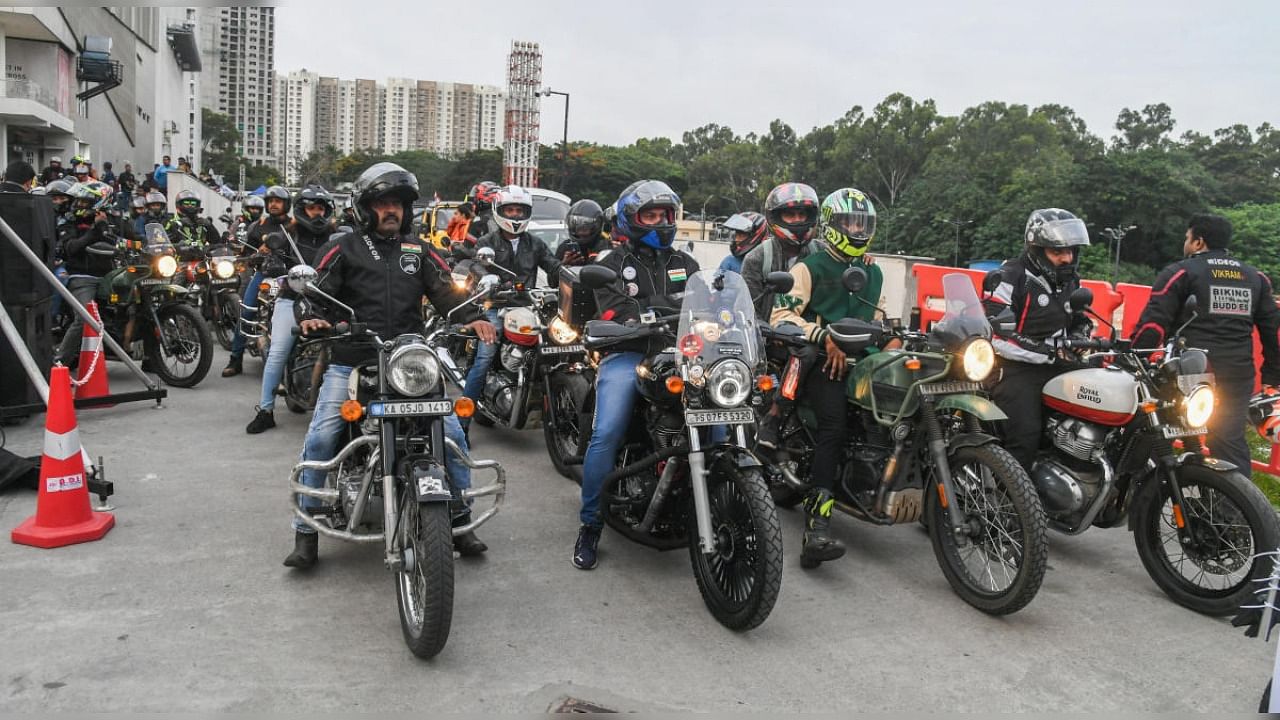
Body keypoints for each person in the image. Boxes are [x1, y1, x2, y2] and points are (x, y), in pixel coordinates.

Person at [286, 162, 496, 568]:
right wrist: (311, 315)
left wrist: (472, 316)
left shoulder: (420, 250)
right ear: (364, 207)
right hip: (353, 359)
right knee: (322, 438)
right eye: (382, 203)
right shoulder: (343, 247)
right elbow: (317, 293)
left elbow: (446, 293)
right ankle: (306, 530)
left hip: (409, 361)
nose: (391, 211)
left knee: (453, 437)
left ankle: (461, 519)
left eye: (398, 204)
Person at [573, 179, 698, 570]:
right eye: (651, 214)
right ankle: (590, 523)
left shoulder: (686, 264)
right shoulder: (612, 265)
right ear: (631, 220)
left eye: (667, 214)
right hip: (627, 354)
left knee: (721, 418)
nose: (661, 222)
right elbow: (616, 312)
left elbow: (706, 303)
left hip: (680, 358)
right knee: (607, 430)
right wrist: (662, 308)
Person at [770, 187, 888, 569]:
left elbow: (878, 318)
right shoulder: (810, 268)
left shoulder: (874, 270)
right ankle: (816, 528)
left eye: (862, 223)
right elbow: (782, 317)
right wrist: (825, 337)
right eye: (849, 222)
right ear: (832, 225)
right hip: (824, 360)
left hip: (864, 360)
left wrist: (893, 339)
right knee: (832, 430)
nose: (856, 229)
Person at [1132, 214, 1280, 473]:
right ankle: (1237, 510)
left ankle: (1159, 499)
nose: (1186, 244)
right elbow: (1273, 333)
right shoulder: (1255, 278)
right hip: (1238, 374)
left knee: (1162, 437)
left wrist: (1136, 359)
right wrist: (1272, 376)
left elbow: (1153, 325)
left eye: (1187, 239)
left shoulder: (1180, 272)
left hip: (1190, 373)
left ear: (1198, 242)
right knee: (1230, 442)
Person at [981, 208, 1092, 472]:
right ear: (1037, 249)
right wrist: (1048, 351)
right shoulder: (1010, 276)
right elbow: (996, 334)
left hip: (1058, 364)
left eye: (1071, 251)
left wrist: (1080, 336)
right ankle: (1011, 503)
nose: (1067, 258)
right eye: (1058, 252)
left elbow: (1080, 319)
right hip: (1013, 369)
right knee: (1026, 435)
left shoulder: (1070, 281)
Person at [457, 185, 560, 427]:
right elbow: (476, 264)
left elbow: (553, 265)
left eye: (519, 210)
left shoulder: (535, 243)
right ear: (498, 211)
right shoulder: (488, 240)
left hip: (528, 306)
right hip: (495, 305)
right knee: (484, 357)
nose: (514, 215)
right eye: (510, 210)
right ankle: (462, 423)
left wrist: (571, 277)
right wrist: (486, 277)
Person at [244, 186, 336, 434]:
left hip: (329, 301)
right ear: (302, 209)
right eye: (311, 208)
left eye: (321, 208)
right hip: (291, 299)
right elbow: (272, 260)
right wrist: (273, 263)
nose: (317, 213)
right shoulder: (287, 235)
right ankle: (265, 410)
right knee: (279, 351)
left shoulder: (336, 237)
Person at [224, 185, 292, 377]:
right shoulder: (258, 226)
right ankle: (235, 359)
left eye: (278, 201)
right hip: (264, 273)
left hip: (288, 275)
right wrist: (252, 256)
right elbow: (245, 252)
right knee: (246, 310)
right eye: (270, 201)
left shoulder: (295, 225)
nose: (274, 204)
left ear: (286, 204)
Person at [54, 182, 115, 367]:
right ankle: (59, 361)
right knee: (84, 317)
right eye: (78, 202)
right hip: (82, 277)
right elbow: (71, 247)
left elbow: (132, 237)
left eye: (83, 202)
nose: (78, 205)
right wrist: (95, 230)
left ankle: (149, 356)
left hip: (110, 275)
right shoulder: (69, 223)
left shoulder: (111, 220)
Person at [556, 198, 607, 265]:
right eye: (576, 227)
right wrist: (564, 264)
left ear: (597, 225)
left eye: (584, 228)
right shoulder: (566, 247)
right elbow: (551, 274)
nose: (580, 232)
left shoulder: (606, 248)